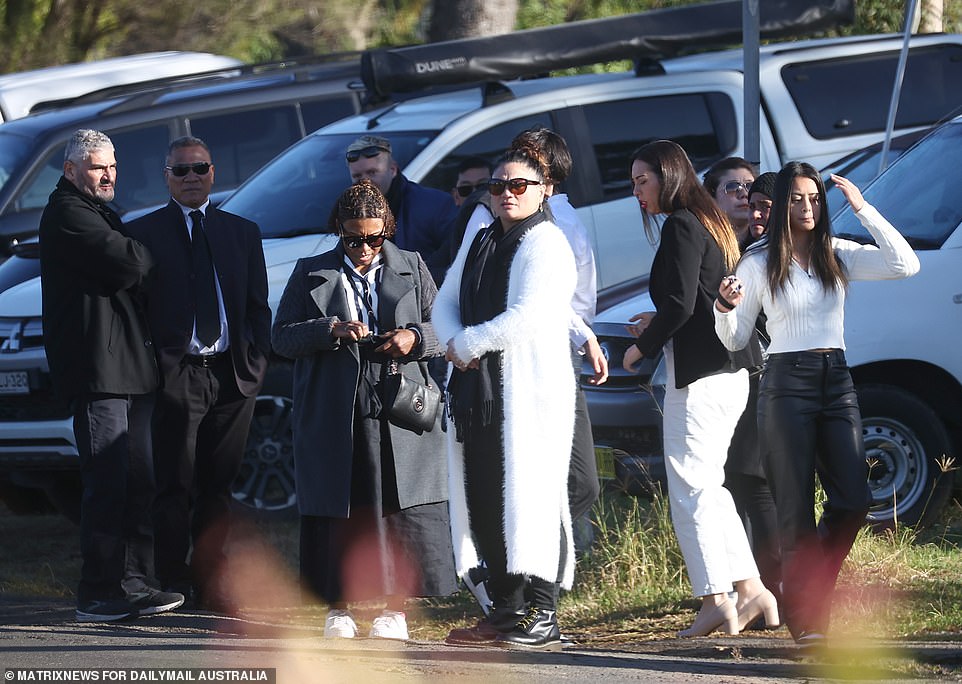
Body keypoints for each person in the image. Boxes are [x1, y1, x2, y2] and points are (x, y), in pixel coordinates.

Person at [714, 163, 920, 646]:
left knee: (852, 501)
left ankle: (807, 590)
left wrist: (863, 208)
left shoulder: (836, 253)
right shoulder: (758, 262)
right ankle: (807, 620)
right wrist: (723, 306)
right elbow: (735, 337)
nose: (807, 208)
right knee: (795, 508)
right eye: (797, 199)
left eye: (815, 199)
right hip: (785, 383)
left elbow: (904, 264)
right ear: (782, 202)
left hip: (837, 379)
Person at [271, 179, 457, 640]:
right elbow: (280, 337)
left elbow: (443, 330)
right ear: (339, 230)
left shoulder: (412, 265)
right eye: (354, 238)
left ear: (388, 230)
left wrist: (414, 338)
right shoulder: (310, 270)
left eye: (375, 237)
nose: (365, 249)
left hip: (400, 403)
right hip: (335, 404)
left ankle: (396, 610)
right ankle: (339, 608)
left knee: (401, 503)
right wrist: (328, 328)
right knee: (340, 503)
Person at [622, 140, 777, 638]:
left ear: (668, 176)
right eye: (633, 184)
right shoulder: (707, 221)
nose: (637, 192)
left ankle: (716, 598)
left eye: (642, 181)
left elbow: (683, 304)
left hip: (704, 376)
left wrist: (641, 347)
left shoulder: (683, 223)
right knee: (710, 486)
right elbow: (700, 300)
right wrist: (659, 324)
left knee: (691, 489)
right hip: (728, 371)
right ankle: (751, 591)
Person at [435, 145, 577, 651]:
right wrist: (454, 342)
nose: (507, 194)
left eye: (519, 185)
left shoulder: (547, 242)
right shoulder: (480, 238)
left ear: (546, 191)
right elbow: (444, 300)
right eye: (498, 186)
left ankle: (544, 612)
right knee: (486, 496)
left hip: (528, 392)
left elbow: (533, 313)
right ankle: (507, 609)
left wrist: (470, 343)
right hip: (477, 387)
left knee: (533, 496)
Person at [39, 129, 184, 622]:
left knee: (139, 480)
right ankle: (98, 592)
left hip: (130, 369)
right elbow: (131, 262)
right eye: (98, 167)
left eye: (113, 166)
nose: (108, 175)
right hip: (98, 372)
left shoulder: (101, 213)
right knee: (108, 482)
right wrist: (141, 252)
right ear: (71, 170)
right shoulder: (67, 213)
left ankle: (136, 583)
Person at [125, 136, 271, 613]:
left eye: (199, 168)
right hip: (176, 374)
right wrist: (154, 366)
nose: (191, 178)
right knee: (174, 483)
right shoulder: (144, 233)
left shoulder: (242, 232)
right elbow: (135, 308)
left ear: (214, 172)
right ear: (166, 177)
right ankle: (173, 577)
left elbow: (256, 306)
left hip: (232, 374)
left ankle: (213, 578)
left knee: (219, 485)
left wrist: (256, 360)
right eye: (181, 171)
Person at [710, 168, 782, 616]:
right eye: (752, 204)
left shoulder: (782, 255)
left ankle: (774, 589)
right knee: (747, 481)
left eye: (765, 207)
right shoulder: (752, 251)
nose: (756, 213)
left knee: (756, 484)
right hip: (754, 375)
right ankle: (765, 589)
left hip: (774, 375)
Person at [344, 134, 457, 282]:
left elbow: (456, 264)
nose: (365, 181)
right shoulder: (348, 214)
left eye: (372, 172)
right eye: (357, 176)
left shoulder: (435, 205)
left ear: (393, 170)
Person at [703, 157, 756, 245]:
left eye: (750, 186)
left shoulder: (769, 243)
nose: (744, 194)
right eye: (732, 187)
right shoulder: (701, 241)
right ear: (712, 197)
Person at [747, 172, 776, 242]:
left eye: (765, 206)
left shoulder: (803, 250)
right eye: (751, 207)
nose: (755, 215)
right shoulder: (744, 251)